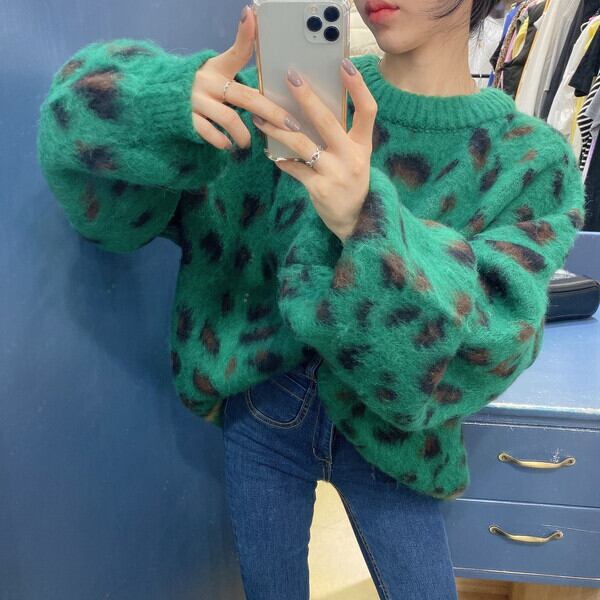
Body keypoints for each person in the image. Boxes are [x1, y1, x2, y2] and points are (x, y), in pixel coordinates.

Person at [36, 1, 585, 598]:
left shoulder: (528, 159)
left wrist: (367, 220)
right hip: (266, 409)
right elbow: (76, 125)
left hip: (394, 437)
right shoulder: (295, 93)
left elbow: (497, 339)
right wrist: (166, 101)